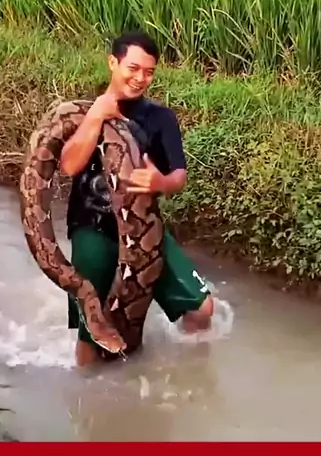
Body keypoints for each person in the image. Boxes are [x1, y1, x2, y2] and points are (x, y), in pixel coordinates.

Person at [60, 30, 214, 367]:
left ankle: (185, 375)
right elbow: (69, 166)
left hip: (144, 226)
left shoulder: (161, 119)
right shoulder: (84, 111)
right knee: (91, 331)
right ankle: (87, 389)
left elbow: (179, 176)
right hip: (91, 226)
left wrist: (161, 182)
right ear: (112, 63)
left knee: (201, 308)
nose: (140, 78)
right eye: (133, 68)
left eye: (149, 72)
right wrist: (96, 117)